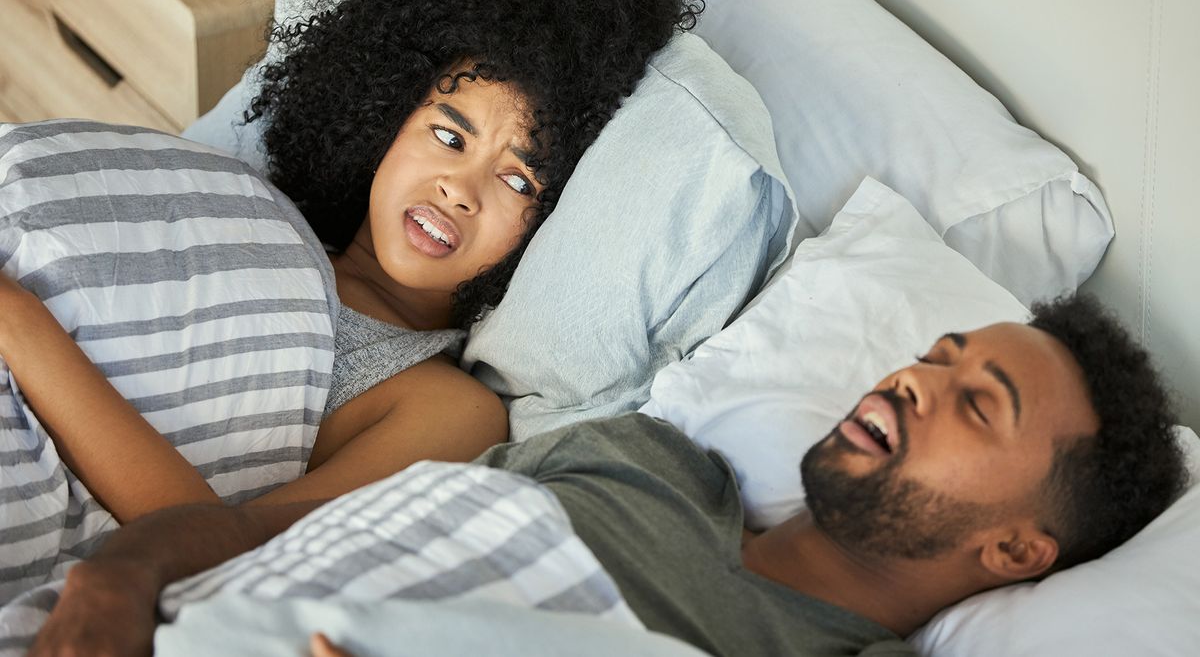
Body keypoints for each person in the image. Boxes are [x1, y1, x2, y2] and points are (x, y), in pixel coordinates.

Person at [27, 293, 1188, 655]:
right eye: (937, 354)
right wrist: (111, 583)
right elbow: (259, 528)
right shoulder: (644, 456)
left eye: (977, 402)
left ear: (1019, 551)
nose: (916, 379)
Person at [0, 0, 701, 528]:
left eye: (518, 179)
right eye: (450, 136)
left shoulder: (445, 406)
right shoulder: (247, 208)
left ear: (549, 222)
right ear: (386, 118)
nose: (459, 188)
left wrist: (19, 321)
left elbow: (216, 550)